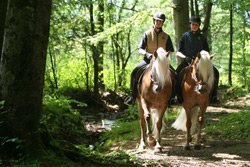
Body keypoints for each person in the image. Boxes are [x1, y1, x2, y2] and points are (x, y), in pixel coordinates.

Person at [124, 12, 176, 106]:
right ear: (154, 21)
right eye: (157, 21)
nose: (159, 23)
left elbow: (170, 50)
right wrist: (147, 54)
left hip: (161, 61)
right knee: (134, 72)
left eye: (161, 21)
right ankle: (132, 96)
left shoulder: (166, 36)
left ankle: (172, 98)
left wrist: (165, 57)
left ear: (162, 23)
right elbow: (140, 49)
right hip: (148, 59)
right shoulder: (147, 34)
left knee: (174, 74)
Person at [175, 16, 220, 104]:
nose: (194, 26)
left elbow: (207, 51)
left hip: (201, 62)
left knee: (216, 72)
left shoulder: (202, 37)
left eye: (196, 24)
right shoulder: (184, 36)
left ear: (199, 26)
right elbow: (178, 52)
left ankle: (214, 96)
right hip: (187, 61)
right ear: (190, 25)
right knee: (176, 74)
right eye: (193, 24)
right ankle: (177, 96)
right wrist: (185, 57)